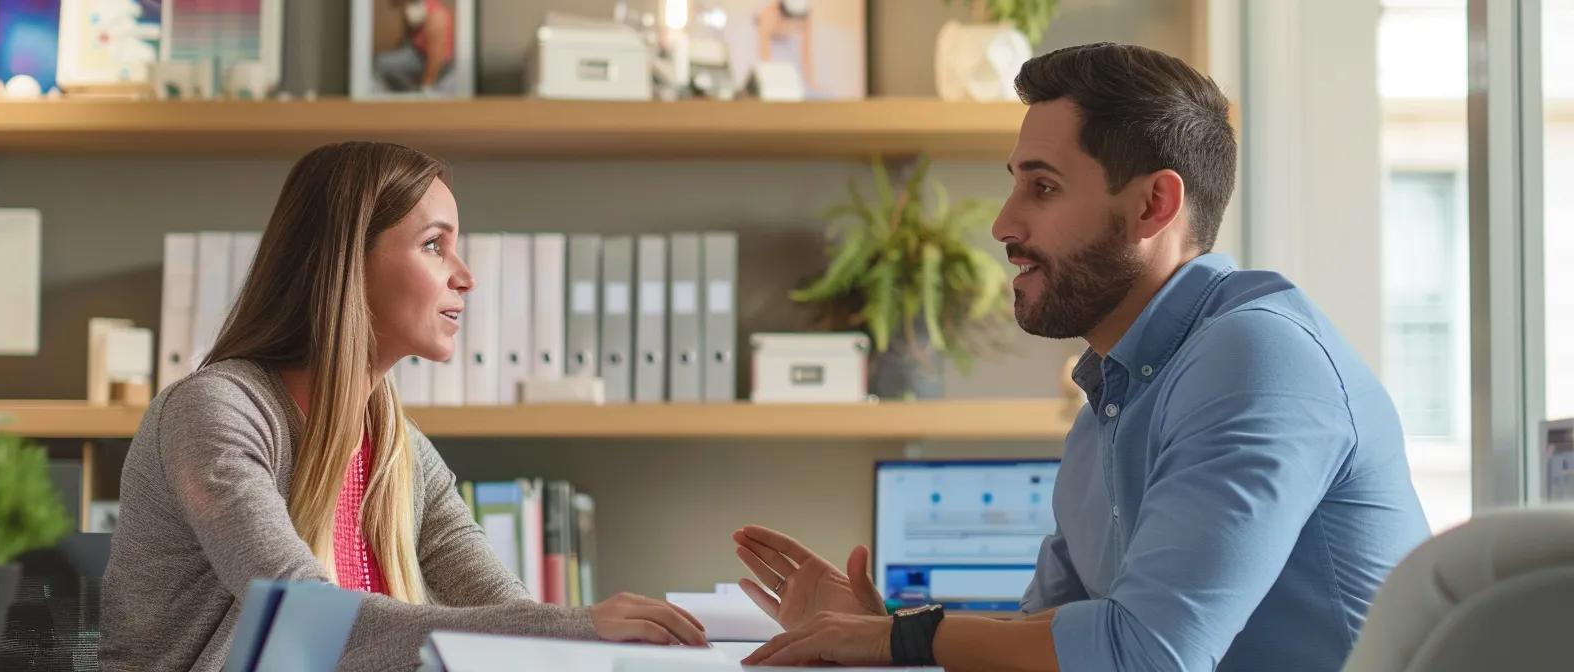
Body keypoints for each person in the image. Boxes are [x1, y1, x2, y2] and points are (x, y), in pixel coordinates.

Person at [729, 43, 1430, 671]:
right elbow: (1051, 643)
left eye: (1043, 186)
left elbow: (1146, 656)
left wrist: (902, 640)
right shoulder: (1111, 399)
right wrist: (878, 630)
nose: (1003, 224)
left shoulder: (1257, 358)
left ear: (1155, 205)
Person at [100, 142, 706, 671]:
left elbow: (506, 608)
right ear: (345, 263)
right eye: (434, 245)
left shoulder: (400, 450)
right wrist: (581, 626)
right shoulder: (215, 413)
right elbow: (304, 619)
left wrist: (595, 639)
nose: (464, 277)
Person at [374, 0, 454, 93]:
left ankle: (412, 92)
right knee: (380, 60)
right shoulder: (418, 17)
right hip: (418, 52)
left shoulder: (437, 18)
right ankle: (408, 90)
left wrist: (426, 85)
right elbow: (396, 4)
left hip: (435, 62)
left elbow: (436, 57)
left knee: (382, 64)